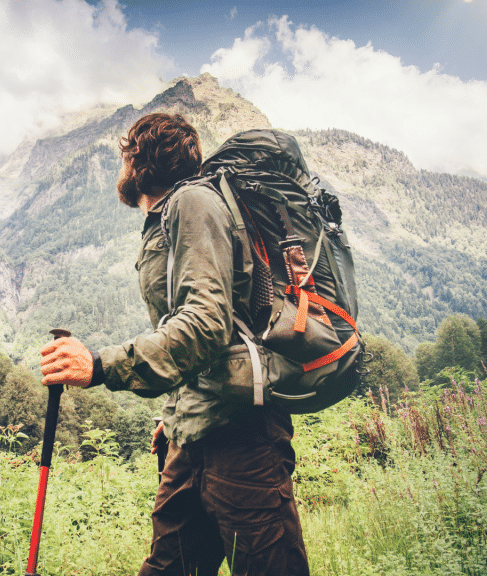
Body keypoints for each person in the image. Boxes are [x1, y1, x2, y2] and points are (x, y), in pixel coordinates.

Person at [39, 112, 310, 576]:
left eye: (125, 157)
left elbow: (206, 324)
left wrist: (101, 366)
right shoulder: (168, 217)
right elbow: (193, 323)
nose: (120, 169)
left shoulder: (192, 204)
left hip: (244, 441)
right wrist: (176, 411)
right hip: (193, 436)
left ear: (142, 161)